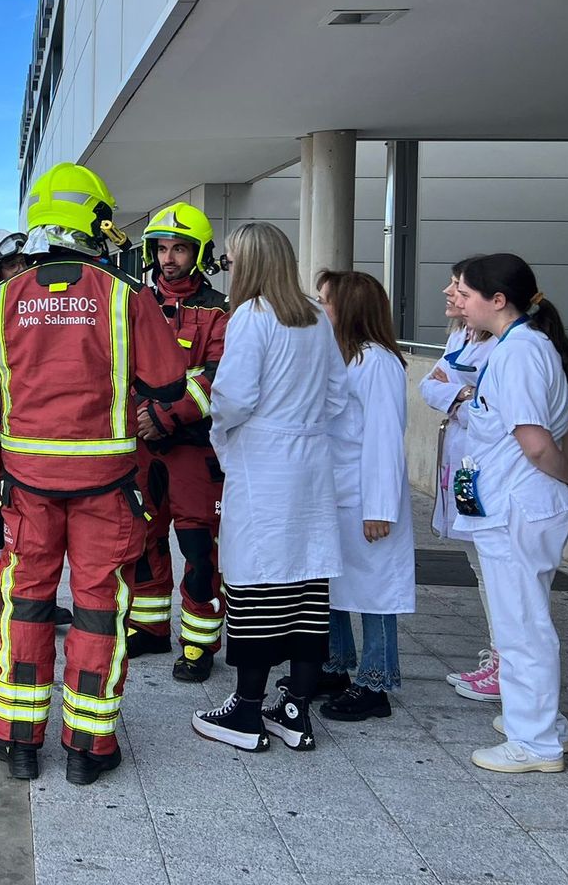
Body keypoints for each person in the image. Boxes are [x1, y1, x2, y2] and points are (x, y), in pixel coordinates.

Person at [0, 163, 188, 785]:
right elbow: (170, 386)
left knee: (25, 604)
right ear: (95, 221)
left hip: (25, 485)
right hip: (107, 487)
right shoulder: (125, 296)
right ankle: (88, 748)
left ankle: (19, 742)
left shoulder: (2, 299)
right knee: (98, 610)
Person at [453, 253, 568, 773]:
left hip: (519, 505)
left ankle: (535, 741)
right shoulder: (526, 346)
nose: (458, 301)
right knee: (526, 617)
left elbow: (537, 442)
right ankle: (542, 723)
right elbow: (564, 428)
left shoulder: (519, 353)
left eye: (467, 293)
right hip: (527, 502)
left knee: (522, 626)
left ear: (498, 300)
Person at [192, 222, 346, 754]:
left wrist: (226, 432)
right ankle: (296, 709)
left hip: (264, 461)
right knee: (307, 587)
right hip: (311, 464)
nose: (228, 268)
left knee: (256, 585)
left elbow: (232, 398)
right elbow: (337, 395)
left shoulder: (252, 318)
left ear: (251, 263)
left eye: (232, 260)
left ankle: (247, 709)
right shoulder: (313, 316)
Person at [125, 204, 231, 683]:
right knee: (144, 537)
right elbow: (119, 367)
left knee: (197, 544)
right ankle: (149, 627)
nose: (169, 259)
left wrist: (163, 416)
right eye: (163, 248)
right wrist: (141, 415)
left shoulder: (219, 311)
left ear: (199, 253)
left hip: (193, 445)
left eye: (180, 249)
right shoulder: (133, 302)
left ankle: (200, 639)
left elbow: (217, 376)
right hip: (142, 445)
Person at [315, 270, 414, 723]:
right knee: (334, 585)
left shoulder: (377, 361)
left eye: (326, 300)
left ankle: (376, 682)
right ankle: (336, 666)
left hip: (365, 499)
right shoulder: (341, 356)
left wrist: (379, 508)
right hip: (337, 492)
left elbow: (383, 439)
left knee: (375, 593)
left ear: (350, 307)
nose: (319, 307)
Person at [0, 229, 68, 630]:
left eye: (18, 263)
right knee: (0, 527)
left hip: (39, 440)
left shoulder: (48, 305)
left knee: (39, 536)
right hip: (5, 440)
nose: (15, 272)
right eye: (5, 268)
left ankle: (27, 601)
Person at [419, 260, 502, 700]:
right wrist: (460, 393)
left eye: (460, 288)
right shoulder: (462, 337)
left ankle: (504, 662)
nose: (449, 294)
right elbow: (428, 387)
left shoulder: (508, 348)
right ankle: (497, 656)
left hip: (486, 469)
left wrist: (460, 395)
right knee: (476, 562)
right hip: (462, 468)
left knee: (494, 567)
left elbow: (489, 411)